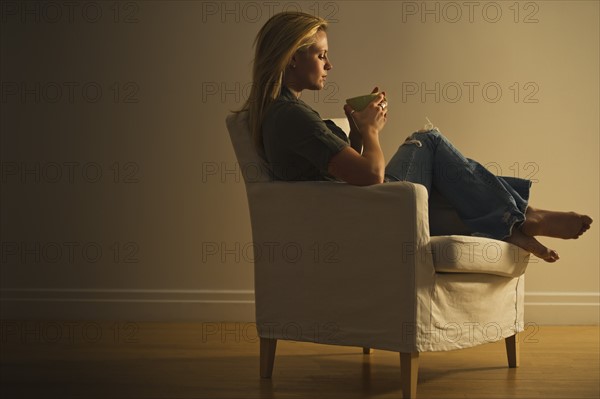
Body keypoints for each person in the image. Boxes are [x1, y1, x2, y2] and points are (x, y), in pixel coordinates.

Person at [237, 11, 592, 262]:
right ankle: (525, 217)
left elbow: (345, 172)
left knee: (448, 194)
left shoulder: (282, 114)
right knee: (429, 140)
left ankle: (515, 224)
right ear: (291, 59)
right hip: (365, 219)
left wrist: (359, 133)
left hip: (353, 213)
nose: (329, 65)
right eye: (321, 55)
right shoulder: (291, 116)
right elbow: (370, 176)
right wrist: (372, 130)